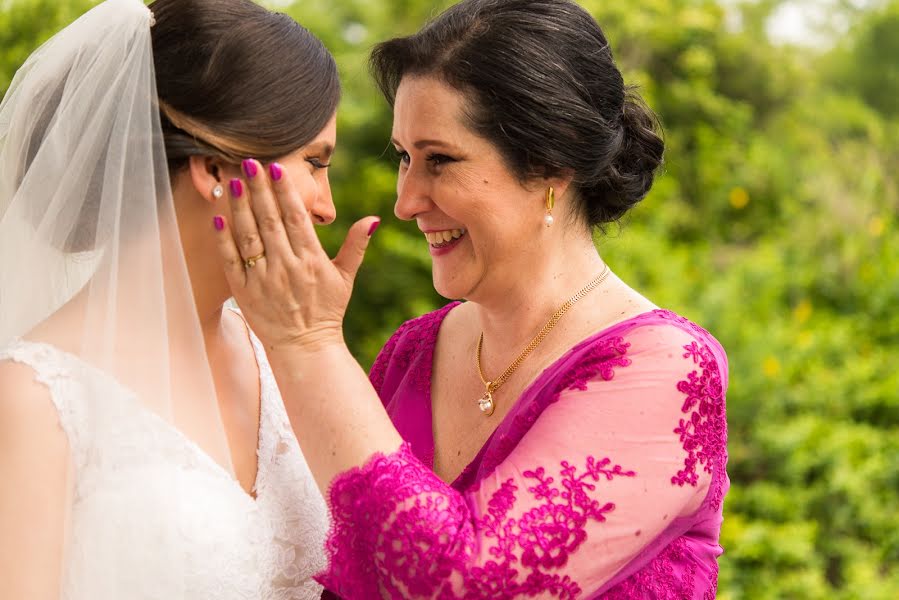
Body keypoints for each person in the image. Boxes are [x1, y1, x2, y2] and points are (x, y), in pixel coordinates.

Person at [214, 0, 729, 597]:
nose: (407, 199)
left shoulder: (668, 369)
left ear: (550, 165)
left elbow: (472, 584)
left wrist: (308, 344)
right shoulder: (414, 351)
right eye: (405, 158)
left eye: (440, 160)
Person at [0, 0, 339, 597]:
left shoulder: (279, 349)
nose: (327, 205)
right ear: (213, 167)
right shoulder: (34, 398)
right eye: (313, 162)